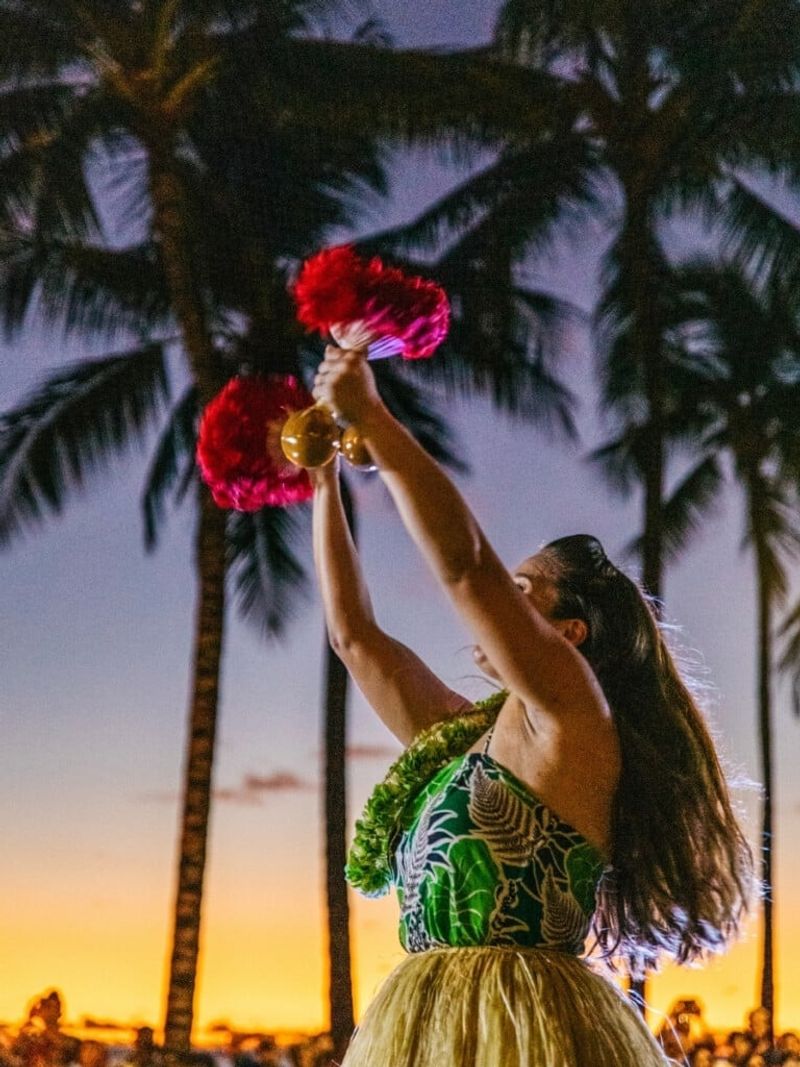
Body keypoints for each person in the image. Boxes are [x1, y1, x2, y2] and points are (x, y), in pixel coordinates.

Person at [310, 346, 755, 1066]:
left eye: (524, 591)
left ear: (569, 633)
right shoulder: (463, 739)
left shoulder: (575, 716)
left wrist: (377, 421)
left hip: (523, 1028)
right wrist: (322, 477)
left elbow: (465, 569)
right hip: (425, 1026)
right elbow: (354, 637)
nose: (500, 607)